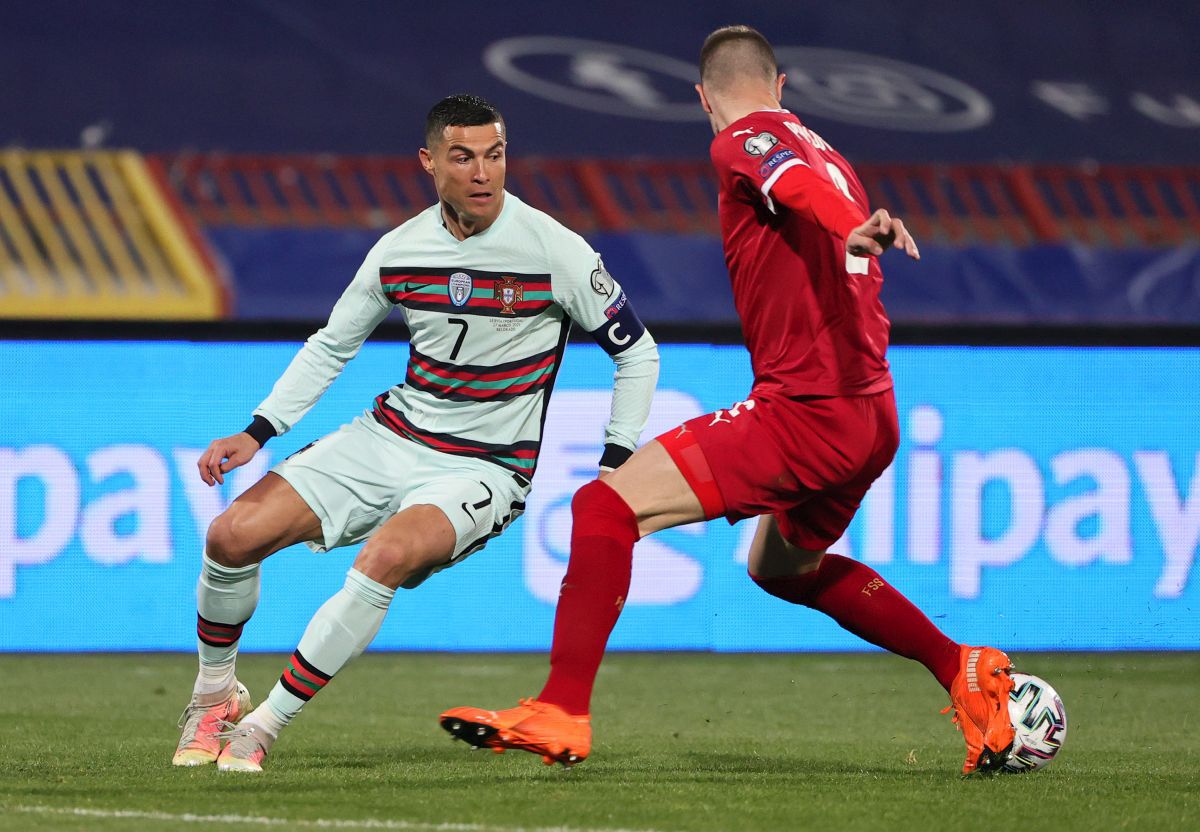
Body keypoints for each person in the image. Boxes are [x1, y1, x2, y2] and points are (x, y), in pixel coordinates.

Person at [440, 26, 1016, 776]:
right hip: (872, 414)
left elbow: (794, 191)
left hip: (805, 411)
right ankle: (961, 667)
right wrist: (858, 221)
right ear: (783, 86)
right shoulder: (832, 155)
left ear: (702, 97)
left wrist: (854, 226)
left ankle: (561, 709)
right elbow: (812, 198)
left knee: (605, 508)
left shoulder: (740, 141)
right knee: (782, 569)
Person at [172, 94, 659, 773]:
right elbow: (331, 346)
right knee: (230, 536)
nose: (483, 173)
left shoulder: (556, 250)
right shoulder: (399, 250)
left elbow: (637, 352)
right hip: (391, 435)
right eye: (464, 158)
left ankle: (262, 727)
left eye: (495, 155)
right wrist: (260, 429)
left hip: (484, 467)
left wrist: (618, 455)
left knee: (385, 555)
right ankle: (214, 697)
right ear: (430, 163)